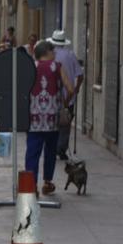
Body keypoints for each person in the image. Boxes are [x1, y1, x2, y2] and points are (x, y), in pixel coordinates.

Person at [26, 41, 74, 195]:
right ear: (46, 51)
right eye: (53, 50)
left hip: (33, 118)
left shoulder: (31, 67)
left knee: (33, 151)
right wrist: (63, 103)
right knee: (50, 151)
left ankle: (31, 185)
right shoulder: (57, 67)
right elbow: (70, 89)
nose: (55, 53)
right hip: (52, 118)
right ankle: (47, 183)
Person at [47, 30, 85, 161]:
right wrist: (76, 89)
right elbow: (80, 76)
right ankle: (61, 150)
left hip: (52, 97)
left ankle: (52, 148)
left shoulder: (49, 56)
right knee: (65, 124)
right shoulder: (70, 55)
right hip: (68, 97)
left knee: (52, 124)